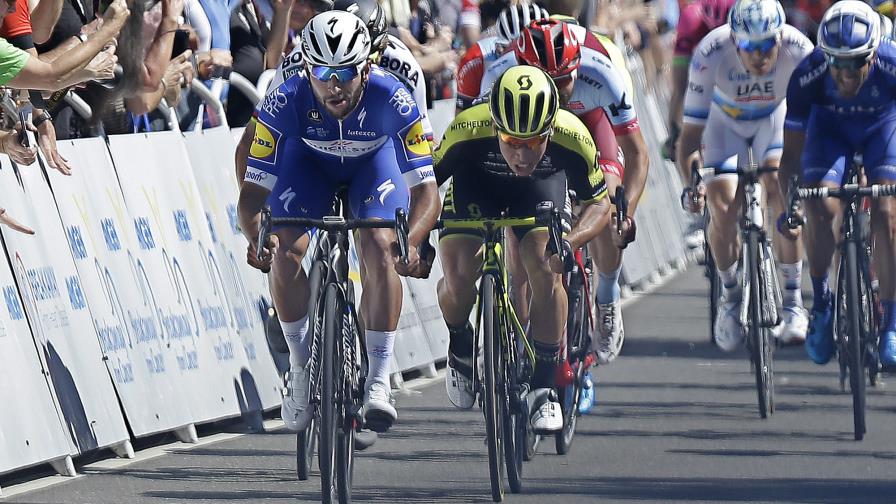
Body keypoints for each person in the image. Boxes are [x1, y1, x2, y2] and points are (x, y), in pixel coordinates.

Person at [237, 11, 440, 433]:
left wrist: (413, 241)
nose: (334, 84)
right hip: (308, 161)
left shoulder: (395, 92)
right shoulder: (286, 92)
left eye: (346, 72)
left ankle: (379, 380)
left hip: (374, 164)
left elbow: (425, 191)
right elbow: (253, 193)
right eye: (324, 72)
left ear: (366, 67)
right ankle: (299, 366)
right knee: (284, 247)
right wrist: (258, 236)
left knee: (381, 247)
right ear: (307, 67)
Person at [435, 65, 611, 431]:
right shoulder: (468, 127)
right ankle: (460, 343)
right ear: (495, 126)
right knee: (459, 276)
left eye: (534, 141)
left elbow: (600, 204)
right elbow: (422, 188)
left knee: (546, 267)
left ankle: (545, 385)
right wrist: (416, 240)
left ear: (551, 128)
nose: (523, 153)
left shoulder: (571, 134)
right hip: (477, 186)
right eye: (512, 142)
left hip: (540, 190)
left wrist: (570, 241)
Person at [481, 19, 650, 365]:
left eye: (564, 81)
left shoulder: (601, 71)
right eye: (550, 83)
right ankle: (520, 321)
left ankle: (606, 296)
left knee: (605, 203)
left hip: (591, 119)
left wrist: (625, 214)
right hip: (533, 131)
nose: (558, 92)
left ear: (577, 68)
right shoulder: (499, 75)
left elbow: (636, 152)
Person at [677, 0, 811, 350]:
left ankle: (794, 302)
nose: (759, 55)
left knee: (781, 190)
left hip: (774, 120)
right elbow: (689, 137)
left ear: (780, 37)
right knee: (722, 209)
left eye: (768, 44)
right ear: (735, 42)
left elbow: (820, 120)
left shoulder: (800, 50)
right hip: (725, 125)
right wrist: (693, 184)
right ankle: (731, 296)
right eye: (750, 47)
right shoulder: (710, 52)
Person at [778, 1, 896, 367]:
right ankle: (824, 302)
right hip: (829, 133)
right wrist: (791, 205)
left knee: (887, 214)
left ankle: (891, 325)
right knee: (819, 206)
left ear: (874, 54)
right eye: (836, 63)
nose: (845, 75)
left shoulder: (893, 66)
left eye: (855, 63)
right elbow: (790, 159)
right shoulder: (807, 76)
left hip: (882, 127)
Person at [455, 1, 549, 111]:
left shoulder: (555, 56)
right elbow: (462, 121)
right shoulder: (476, 59)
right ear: (499, 46)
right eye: (513, 53)